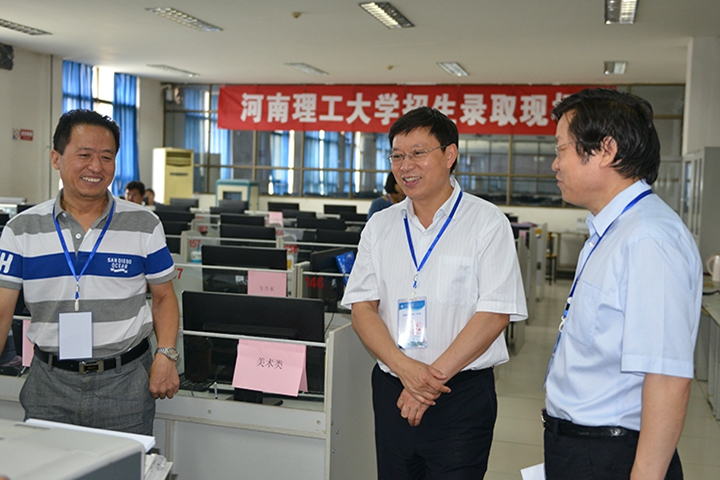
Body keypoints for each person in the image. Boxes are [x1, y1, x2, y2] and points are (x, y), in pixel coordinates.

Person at [341, 106, 527, 479]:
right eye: (397, 156)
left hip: (460, 396)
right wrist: (404, 369)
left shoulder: (486, 222)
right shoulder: (380, 225)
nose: (405, 166)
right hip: (392, 389)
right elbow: (362, 308)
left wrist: (425, 383)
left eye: (418, 153)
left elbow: (494, 313)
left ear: (449, 154)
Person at [543, 88, 702, 479]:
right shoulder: (614, 230)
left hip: (612, 455)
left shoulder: (649, 239)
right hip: (582, 448)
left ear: (606, 150)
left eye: (562, 149)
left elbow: (667, 377)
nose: (555, 164)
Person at [0, 109, 180, 435]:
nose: (96, 167)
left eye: (106, 157)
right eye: (84, 155)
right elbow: (2, 312)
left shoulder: (144, 224)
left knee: (125, 463)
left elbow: (164, 297)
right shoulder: (21, 229)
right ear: (56, 158)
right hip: (49, 382)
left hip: (125, 382)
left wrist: (166, 354)